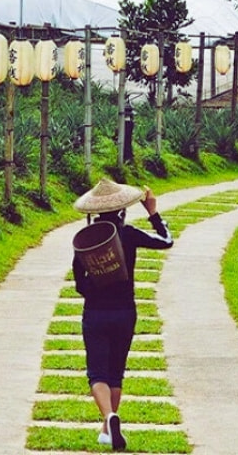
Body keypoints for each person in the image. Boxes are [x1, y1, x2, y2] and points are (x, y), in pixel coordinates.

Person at [72, 178, 174, 451]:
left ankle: (108, 419)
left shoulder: (84, 240)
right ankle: (109, 426)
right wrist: (153, 211)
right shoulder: (128, 234)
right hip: (125, 312)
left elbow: (79, 283)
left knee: (97, 373)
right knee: (116, 373)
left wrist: (94, 292)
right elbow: (166, 241)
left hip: (95, 313)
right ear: (122, 210)